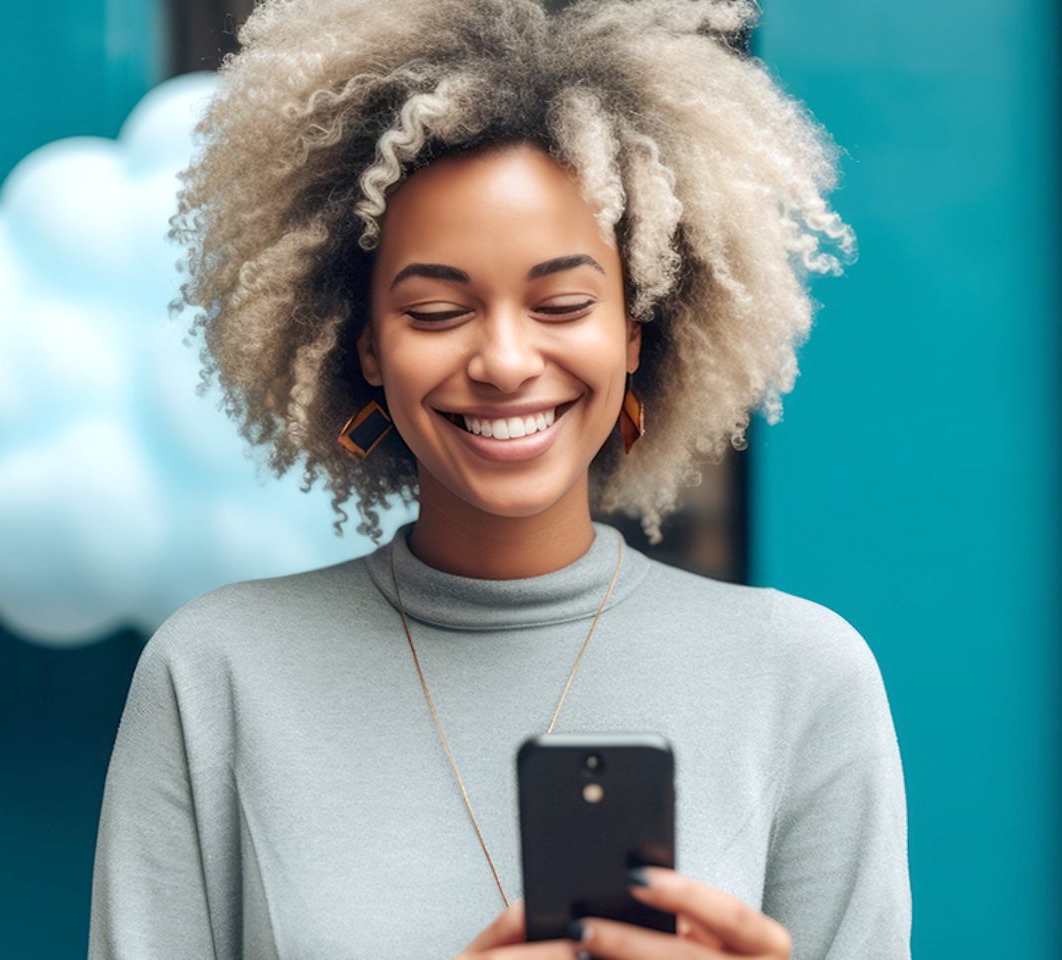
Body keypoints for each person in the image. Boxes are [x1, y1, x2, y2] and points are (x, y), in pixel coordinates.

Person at [88, 1, 911, 958]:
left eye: (563, 302)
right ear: (362, 347)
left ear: (637, 331)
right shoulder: (216, 674)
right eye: (437, 310)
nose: (506, 360)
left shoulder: (804, 678)